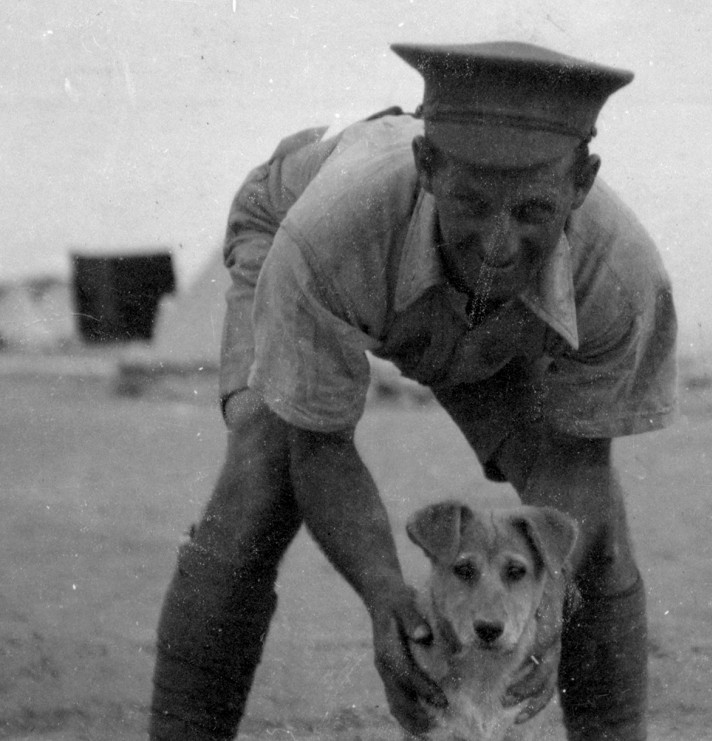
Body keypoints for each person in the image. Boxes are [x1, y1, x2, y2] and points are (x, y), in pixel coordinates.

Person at [149, 40, 678, 741]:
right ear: (428, 168)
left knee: (595, 534)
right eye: (472, 203)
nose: (496, 243)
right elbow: (319, 442)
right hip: (288, 222)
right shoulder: (325, 235)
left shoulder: (622, 273)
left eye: (532, 212)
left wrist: (549, 602)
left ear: (580, 184)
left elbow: (577, 465)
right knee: (262, 474)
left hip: (477, 324)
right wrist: (383, 594)